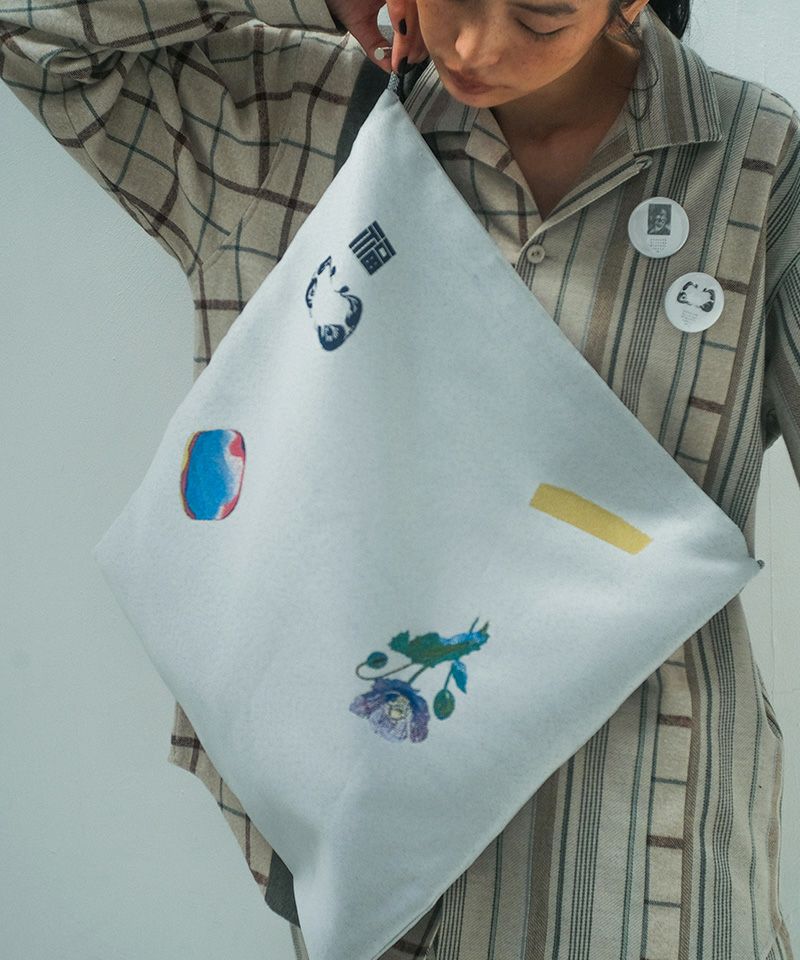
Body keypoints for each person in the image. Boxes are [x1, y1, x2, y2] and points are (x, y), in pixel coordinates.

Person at [1, 1, 798, 958]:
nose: (473, 46)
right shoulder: (286, 110)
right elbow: (27, 25)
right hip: (380, 882)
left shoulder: (759, 166)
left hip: (650, 861)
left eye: (539, 17)